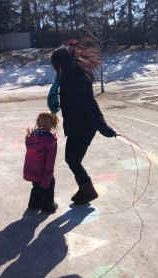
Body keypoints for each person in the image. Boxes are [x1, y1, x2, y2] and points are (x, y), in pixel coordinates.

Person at [48, 39, 118, 206]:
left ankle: (88, 190)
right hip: (75, 126)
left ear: (62, 63)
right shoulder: (66, 77)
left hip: (84, 127)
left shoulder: (79, 80)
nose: (54, 69)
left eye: (56, 65)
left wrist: (103, 127)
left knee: (72, 160)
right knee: (72, 159)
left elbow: (91, 104)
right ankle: (85, 188)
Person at [23, 111, 59, 213]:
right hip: (42, 169)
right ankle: (48, 206)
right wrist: (48, 174)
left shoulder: (32, 136)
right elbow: (50, 161)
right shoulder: (50, 141)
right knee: (48, 183)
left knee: (36, 185)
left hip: (30, 168)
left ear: (38, 122)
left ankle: (34, 203)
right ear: (53, 124)